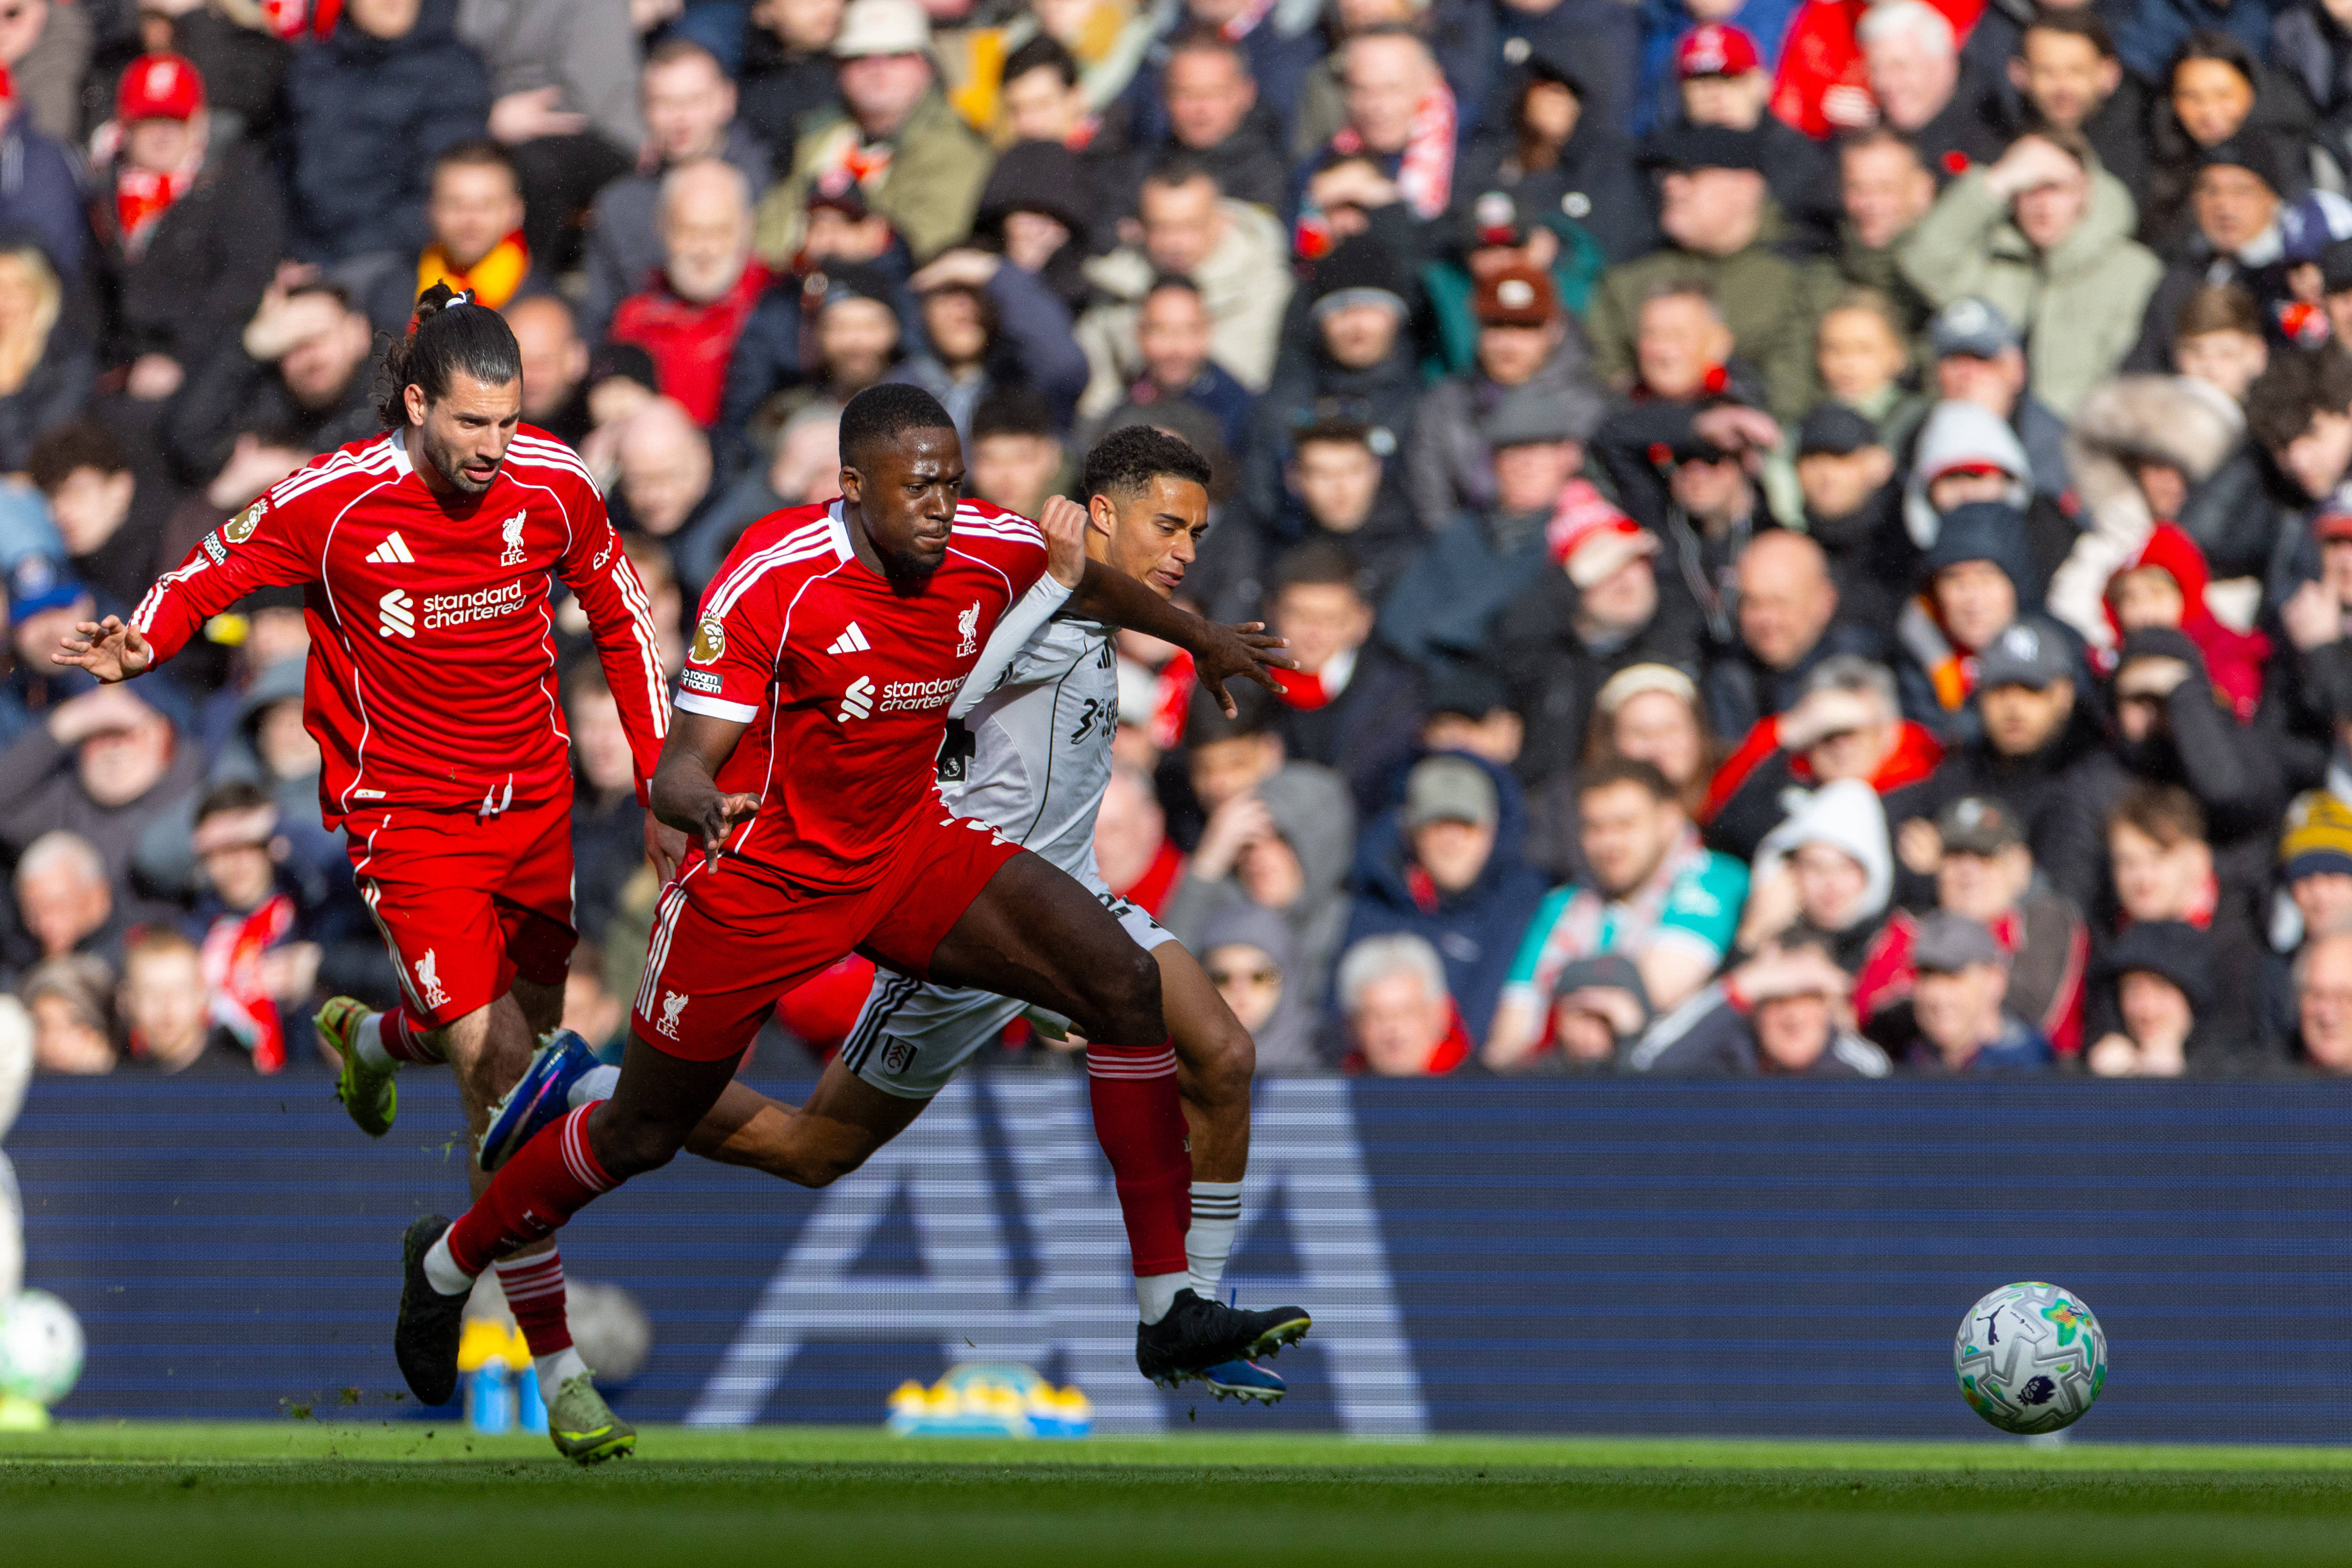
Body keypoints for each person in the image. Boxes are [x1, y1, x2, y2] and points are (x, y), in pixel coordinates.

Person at [390, 386, 1309, 1444]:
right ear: (853, 485)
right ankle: (449, 1257)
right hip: (762, 878)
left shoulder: (986, 545)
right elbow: (688, 757)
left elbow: (1090, 582)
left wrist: (1201, 638)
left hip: (912, 849)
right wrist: (692, 799)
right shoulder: (777, 577)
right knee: (646, 1130)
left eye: (952, 482)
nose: (940, 505)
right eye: (918, 485)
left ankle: (1169, 1307)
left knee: (1125, 984)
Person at [52, 286, 674, 1465]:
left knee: (514, 1069)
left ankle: (375, 1048)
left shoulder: (550, 481)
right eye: (472, 425)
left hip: (533, 807)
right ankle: (559, 1369)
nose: (496, 448)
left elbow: (624, 612)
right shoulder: (336, 502)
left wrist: (657, 780)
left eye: (511, 421)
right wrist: (145, 637)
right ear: (417, 401)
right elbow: (214, 564)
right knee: (506, 1076)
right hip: (409, 820)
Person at [1485, 757, 1749, 1067]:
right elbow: (1509, 1037)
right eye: (1595, 828)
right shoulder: (1562, 905)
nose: (1609, 842)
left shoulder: (1713, 876)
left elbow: (1654, 991)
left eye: (1625, 825)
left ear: (1669, 820)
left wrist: (1573, 1008)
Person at [1899, 128, 2159, 419]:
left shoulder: (2133, 269)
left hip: (2082, 434)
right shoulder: (1992, 255)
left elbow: (2132, 372)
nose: (2042, 205)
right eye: (2029, 189)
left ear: (2085, 193)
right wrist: (1993, 183)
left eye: (2056, 189)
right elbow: (1921, 266)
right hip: (1984, 426)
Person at [89, 52, 284, 405]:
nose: (164, 134)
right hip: (121, 369)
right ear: (125, 125)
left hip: (205, 364)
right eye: (150, 120)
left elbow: (243, 281)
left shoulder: (235, 180)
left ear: (198, 123)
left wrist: (178, 357)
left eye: (176, 120)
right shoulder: (103, 190)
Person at [760, 0, 996, 266]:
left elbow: (926, 245)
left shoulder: (955, 147)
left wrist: (839, 245)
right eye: (859, 57)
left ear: (926, 65)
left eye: (895, 55)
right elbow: (768, 237)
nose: (877, 68)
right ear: (839, 69)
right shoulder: (819, 137)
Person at [1339, 752, 1548, 1043]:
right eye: (1437, 825)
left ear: (1492, 831)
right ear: (1411, 833)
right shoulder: (1373, 904)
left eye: (1466, 825)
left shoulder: (1526, 906)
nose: (1452, 841)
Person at [584, 38, 774, 340]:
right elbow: (599, 315)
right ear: (643, 109)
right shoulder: (620, 205)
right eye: (665, 103)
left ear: (727, 100)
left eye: (694, 101)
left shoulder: (767, 184)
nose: (680, 119)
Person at [281, 0, 492, 264]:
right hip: (302, 255)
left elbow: (441, 197)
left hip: (400, 258)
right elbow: (282, 173)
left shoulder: (454, 69)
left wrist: (333, 267)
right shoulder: (313, 63)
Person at [607, 159, 773, 431]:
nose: (705, 251)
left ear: (746, 229)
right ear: (662, 230)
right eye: (690, 232)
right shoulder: (636, 319)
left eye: (719, 232)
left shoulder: (772, 302)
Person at [1904, 909, 2055, 1073]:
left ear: (1995, 981)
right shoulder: (1904, 1057)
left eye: (1953, 977)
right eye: (1927, 977)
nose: (1937, 995)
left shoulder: (2032, 1070)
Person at [1335, 931, 1471, 1075]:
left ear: (1440, 1013)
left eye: (1407, 1012)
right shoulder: (1331, 1088)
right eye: (1377, 1016)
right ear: (1353, 1026)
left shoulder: (1482, 1090)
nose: (1394, 1029)